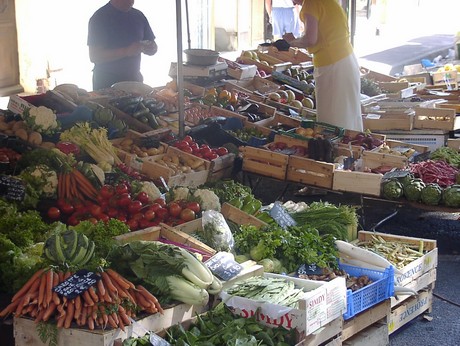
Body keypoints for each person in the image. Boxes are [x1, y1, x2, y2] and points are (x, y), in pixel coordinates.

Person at [283, 0, 363, 132]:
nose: (292, 2)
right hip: (346, 60)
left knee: (333, 119)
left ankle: (339, 152)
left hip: (333, 65)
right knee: (348, 114)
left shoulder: (311, 3)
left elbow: (310, 39)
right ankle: (352, 150)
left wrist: (290, 43)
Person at [87, 0, 158, 91]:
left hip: (134, 81)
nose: (132, 1)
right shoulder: (99, 17)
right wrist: (126, 51)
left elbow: (152, 44)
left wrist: (151, 48)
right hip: (106, 83)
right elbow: (95, 56)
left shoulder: (139, 16)